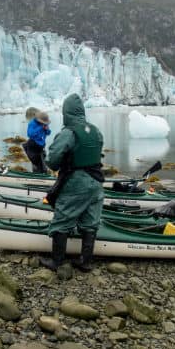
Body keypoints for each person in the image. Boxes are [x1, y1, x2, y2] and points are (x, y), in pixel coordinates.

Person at [40, 94, 104, 272]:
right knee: (90, 220)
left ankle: (57, 261)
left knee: (63, 217)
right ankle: (85, 261)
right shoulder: (96, 130)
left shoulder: (68, 133)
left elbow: (53, 161)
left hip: (77, 182)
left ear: (66, 113)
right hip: (97, 181)